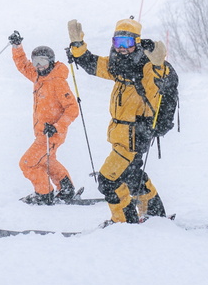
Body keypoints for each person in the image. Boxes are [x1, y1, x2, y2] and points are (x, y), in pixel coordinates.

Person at [66, 16, 176, 223]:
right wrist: (78, 45)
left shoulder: (145, 68)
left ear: (137, 42)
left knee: (107, 180)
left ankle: (124, 222)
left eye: (127, 43)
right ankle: (154, 215)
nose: (122, 48)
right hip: (122, 136)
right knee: (134, 176)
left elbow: (158, 82)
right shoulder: (119, 67)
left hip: (135, 135)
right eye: (118, 42)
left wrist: (159, 64)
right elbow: (93, 65)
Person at [9, 32, 80, 204]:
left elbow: (72, 108)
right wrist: (17, 47)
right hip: (43, 133)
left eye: (42, 61)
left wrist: (57, 126)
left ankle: (44, 194)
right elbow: (23, 66)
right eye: (36, 62)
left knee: (27, 163)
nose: (39, 66)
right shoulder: (39, 77)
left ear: (51, 61)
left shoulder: (57, 81)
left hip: (52, 133)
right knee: (47, 161)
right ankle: (66, 189)